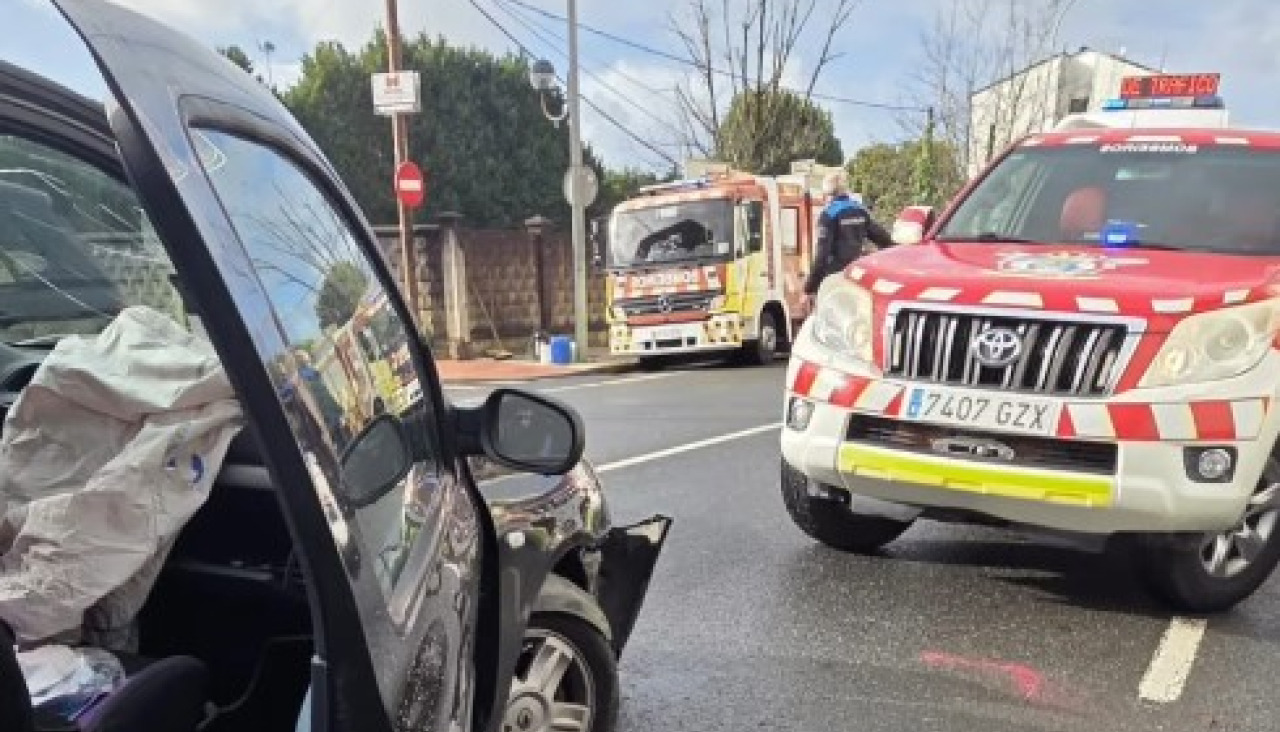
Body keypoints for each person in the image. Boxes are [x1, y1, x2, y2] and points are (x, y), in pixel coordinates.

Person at [801, 171, 893, 313]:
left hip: (833, 282)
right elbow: (885, 241)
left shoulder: (829, 214)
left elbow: (821, 256)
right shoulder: (860, 210)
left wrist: (809, 289)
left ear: (827, 194)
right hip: (855, 279)